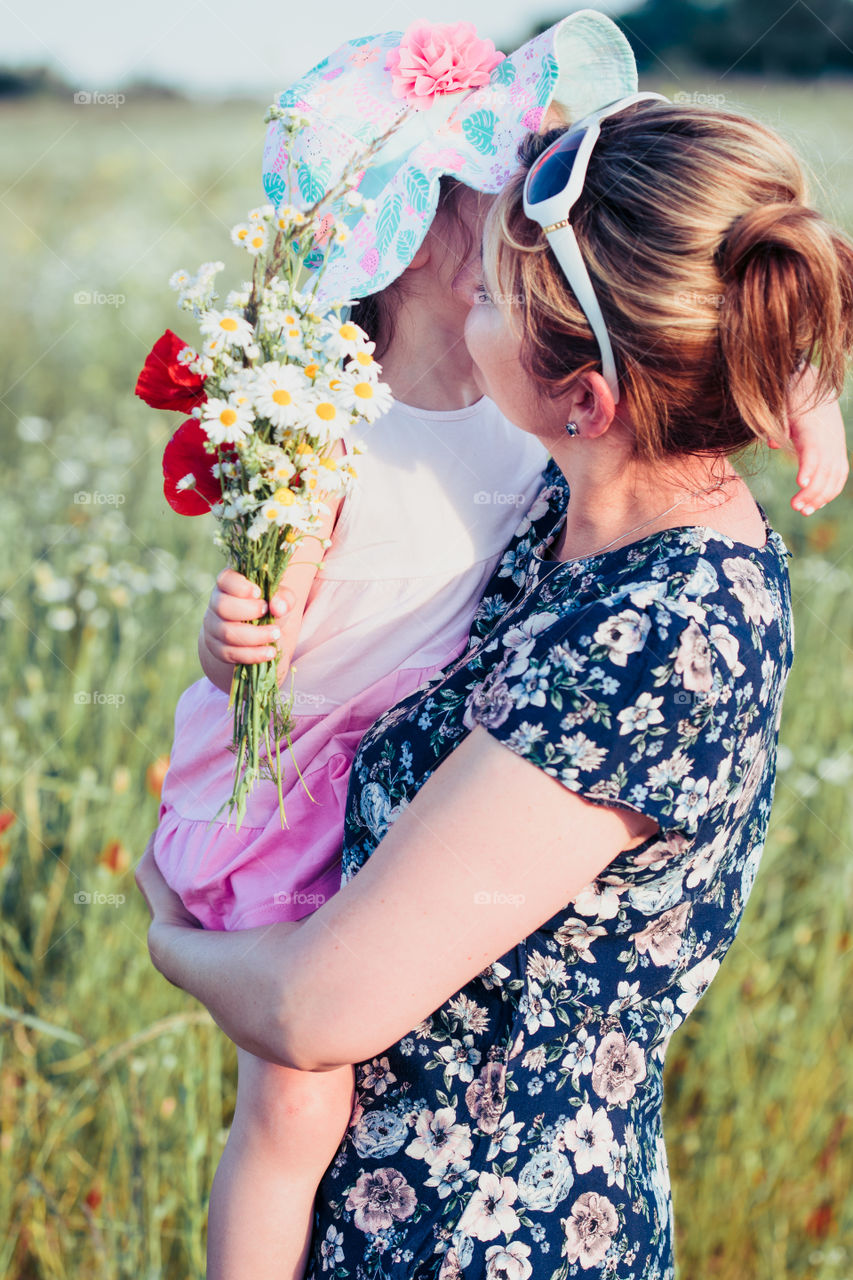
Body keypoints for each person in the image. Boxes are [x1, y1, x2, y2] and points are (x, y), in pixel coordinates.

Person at [137, 89, 853, 1279]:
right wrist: (792, 374)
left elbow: (316, 1008)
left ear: (585, 395)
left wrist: (171, 940)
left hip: (491, 1238)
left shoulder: (661, 642)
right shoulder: (580, 502)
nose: (467, 292)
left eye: (491, 297)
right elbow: (657, 197)